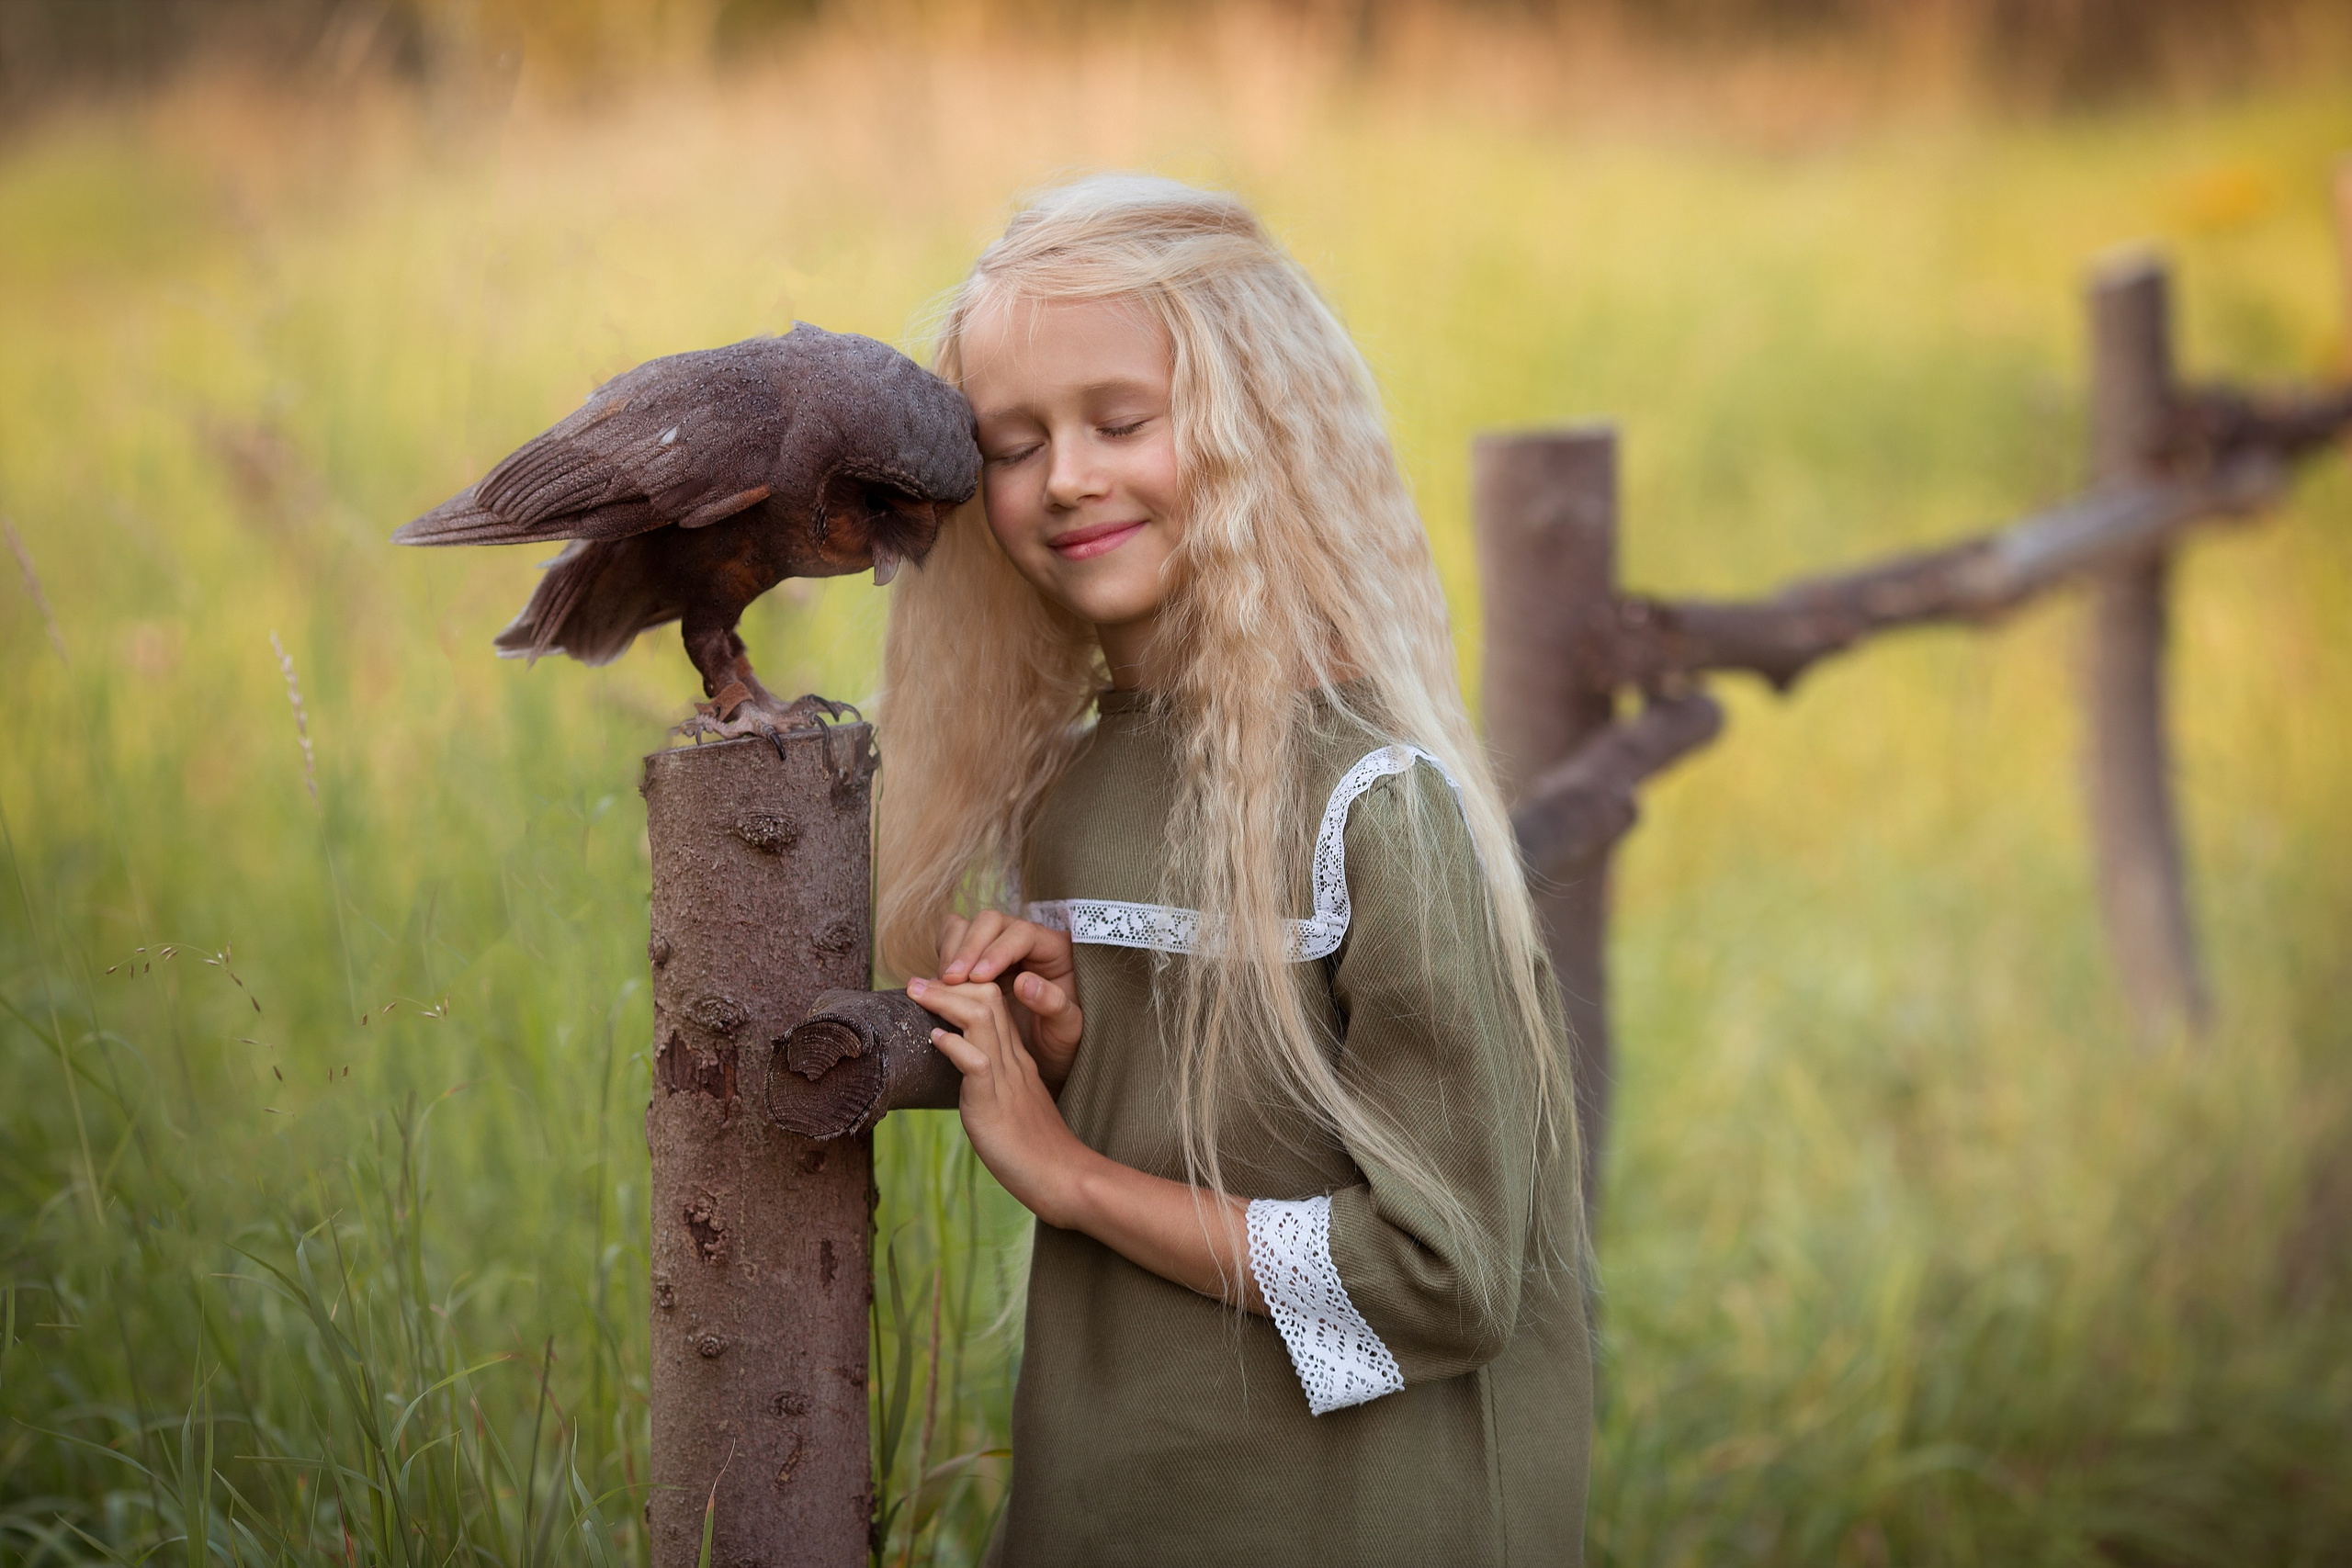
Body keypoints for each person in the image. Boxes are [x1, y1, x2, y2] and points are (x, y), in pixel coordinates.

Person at [876, 173, 1591, 1566]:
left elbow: (1447, 1277)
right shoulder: (1067, 787)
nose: (1065, 478)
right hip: (1117, 1492)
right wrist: (1077, 1050)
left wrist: (1069, 1173)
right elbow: (1232, 1128)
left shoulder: (1376, 801)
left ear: (1258, 425)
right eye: (1013, 444)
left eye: (1120, 422)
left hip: (1344, 1521)